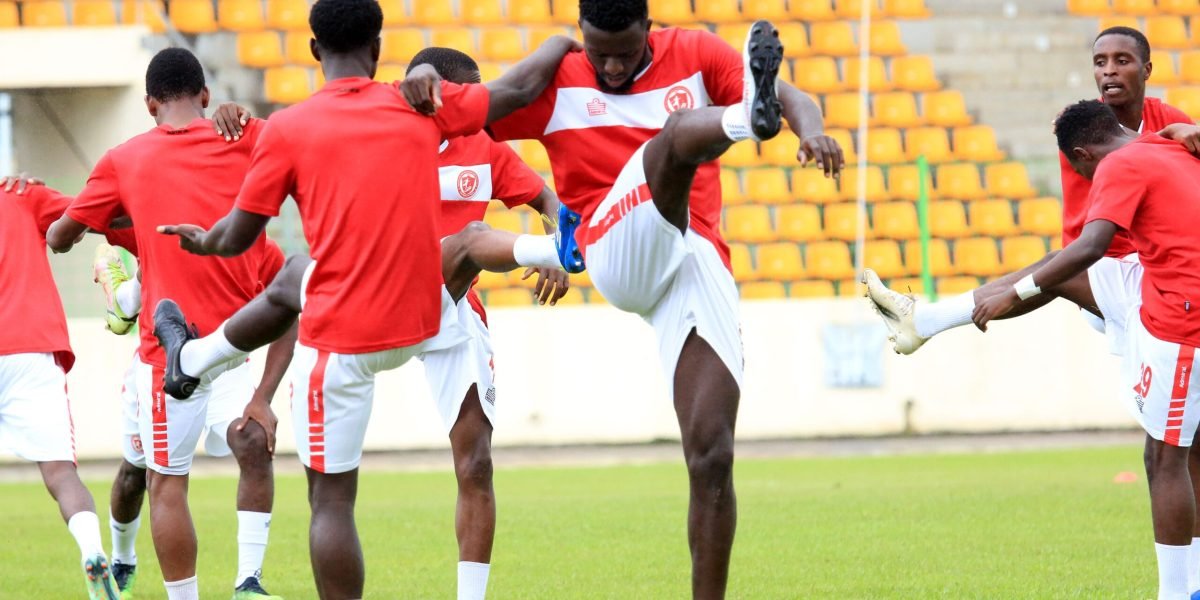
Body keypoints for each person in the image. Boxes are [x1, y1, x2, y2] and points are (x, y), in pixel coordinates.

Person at [406, 2, 840, 596]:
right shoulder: (558, 81)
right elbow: (474, 111)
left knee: (712, 454)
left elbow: (795, 97)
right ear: (580, 34)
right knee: (675, 139)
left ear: (650, 30)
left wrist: (811, 131)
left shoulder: (698, 53)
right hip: (612, 246)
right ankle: (745, 123)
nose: (610, 66)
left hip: (693, 261)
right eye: (596, 50)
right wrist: (429, 90)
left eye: (625, 51)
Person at [151, 1, 582, 596]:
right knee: (423, 251)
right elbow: (520, 86)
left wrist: (204, 242)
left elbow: (238, 234)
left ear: (311, 51)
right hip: (401, 310)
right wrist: (565, 39)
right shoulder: (418, 106)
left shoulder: (295, 127)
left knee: (338, 497)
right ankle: (554, 252)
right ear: (379, 48)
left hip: (373, 323)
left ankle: (194, 359)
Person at [44, 48, 291, 600]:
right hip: (161, 362)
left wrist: (85, 216)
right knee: (139, 476)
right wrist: (247, 116)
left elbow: (58, 237)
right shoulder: (239, 139)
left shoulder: (124, 160)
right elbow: (297, 141)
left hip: (225, 355)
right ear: (205, 96)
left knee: (249, 445)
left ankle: (248, 583)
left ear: (150, 104)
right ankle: (125, 555)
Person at [973, 99, 1200, 600]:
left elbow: (1090, 244)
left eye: (1079, 171)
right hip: (1175, 305)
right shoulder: (1168, 147)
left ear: (1082, 156)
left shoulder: (1119, 163)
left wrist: (1018, 290)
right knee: (1175, 453)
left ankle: (1175, 594)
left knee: (1166, 459)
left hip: (1186, 322)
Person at [863, 26, 1199, 355]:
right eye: (1100, 62)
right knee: (1056, 270)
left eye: (1122, 60)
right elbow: (1095, 237)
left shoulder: (1168, 119)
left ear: (1146, 69)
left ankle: (922, 321)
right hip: (1110, 266)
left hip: (1161, 269)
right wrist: (1170, 135)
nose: (1110, 70)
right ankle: (923, 321)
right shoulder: (1082, 133)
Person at [0, 183, 120, 599]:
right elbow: (92, 214)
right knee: (60, 473)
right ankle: (92, 550)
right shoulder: (18, 193)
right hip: (30, 348)